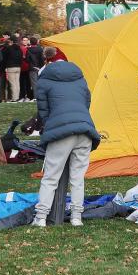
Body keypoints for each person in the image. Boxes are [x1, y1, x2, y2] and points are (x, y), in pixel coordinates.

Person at [32, 47, 101, 227]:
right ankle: (77, 216)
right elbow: (87, 101)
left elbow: (43, 110)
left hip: (60, 131)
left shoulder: (44, 79)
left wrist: (50, 127)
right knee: (78, 178)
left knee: (51, 177)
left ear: (47, 61)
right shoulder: (79, 76)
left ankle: (40, 217)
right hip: (84, 129)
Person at [1, 36, 23, 102]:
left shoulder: (9, 48)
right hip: (18, 67)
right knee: (17, 83)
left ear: (12, 41)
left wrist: (4, 67)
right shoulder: (20, 49)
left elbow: (4, 59)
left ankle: (14, 98)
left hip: (10, 67)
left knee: (12, 83)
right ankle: (17, 97)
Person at [18, 36, 32, 101]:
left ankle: (29, 96)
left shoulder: (30, 48)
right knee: (22, 82)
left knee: (28, 83)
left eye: (26, 40)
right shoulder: (20, 48)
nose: (25, 41)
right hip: (21, 68)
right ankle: (22, 96)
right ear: (21, 41)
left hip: (28, 67)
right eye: (24, 40)